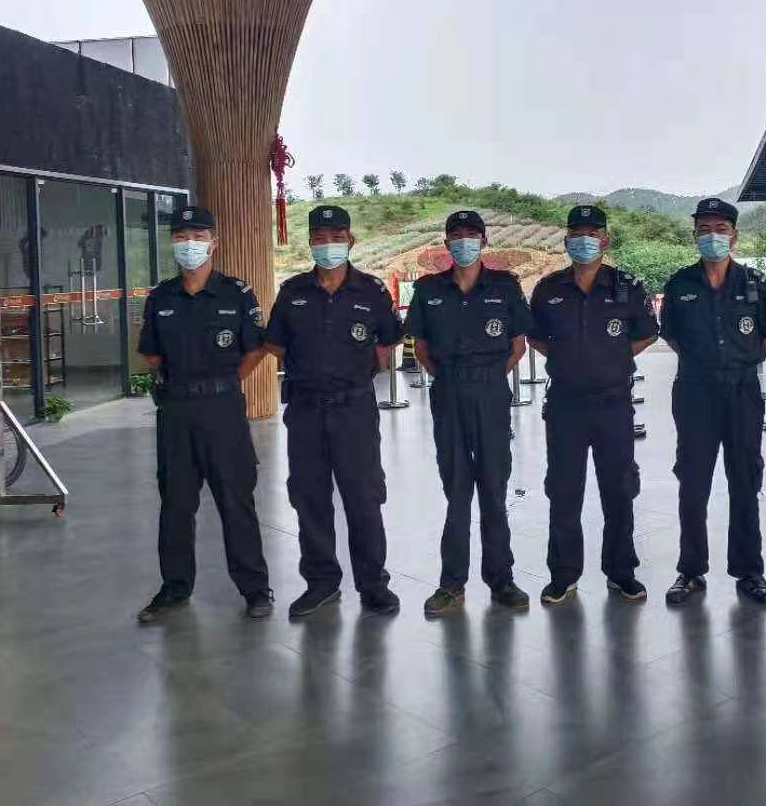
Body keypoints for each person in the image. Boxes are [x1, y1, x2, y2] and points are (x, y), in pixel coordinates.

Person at [134, 205, 273, 622]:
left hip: (222, 411)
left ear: (215, 243)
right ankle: (175, 587)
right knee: (175, 504)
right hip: (175, 411)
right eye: (181, 237)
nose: (189, 244)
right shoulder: (161, 297)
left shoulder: (236, 293)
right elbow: (151, 354)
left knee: (236, 500)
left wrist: (224, 383)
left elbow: (255, 349)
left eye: (198, 236)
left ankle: (255, 589)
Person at [262, 205, 402, 619]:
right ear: (310, 243)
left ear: (350, 241)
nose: (328, 245)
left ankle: (373, 585)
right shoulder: (292, 292)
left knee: (363, 497)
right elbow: (276, 345)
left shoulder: (371, 291)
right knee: (310, 498)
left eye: (336, 238)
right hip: (305, 410)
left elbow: (387, 343)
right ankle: (321, 584)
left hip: (354, 410)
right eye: (320, 238)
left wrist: (353, 373)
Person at [528, 205, 660, 605]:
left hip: (612, 404)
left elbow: (647, 333)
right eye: (577, 233)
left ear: (605, 240)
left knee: (619, 489)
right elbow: (536, 337)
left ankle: (621, 571)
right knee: (564, 490)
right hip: (565, 405)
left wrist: (612, 359)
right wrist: (569, 360)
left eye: (592, 233)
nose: (584, 240)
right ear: (566, 240)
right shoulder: (548, 288)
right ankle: (563, 574)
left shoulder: (627, 286)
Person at [405, 210, 535, 615]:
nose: (464, 241)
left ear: (484, 241)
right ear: (447, 243)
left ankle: (502, 580)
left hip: (491, 394)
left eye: (471, 234)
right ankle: (451, 584)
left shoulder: (506, 286)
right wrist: (451, 379)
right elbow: (420, 348)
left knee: (494, 489)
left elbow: (518, 346)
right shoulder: (428, 289)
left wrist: (488, 378)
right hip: (449, 392)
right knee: (457, 491)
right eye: (457, 235)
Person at [658, 197, 766, 607]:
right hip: (695, 392)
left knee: (745, 478)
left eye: (721, 229)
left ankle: (750, 571)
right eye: (704, 230)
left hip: (742, 391)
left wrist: (738, 361)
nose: (712, 236)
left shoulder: (755, 283)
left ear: (734, 236)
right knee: (693, 481)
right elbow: (671, 335)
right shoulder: (680, 284)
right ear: (694, 235)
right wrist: (705, 363)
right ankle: (690, 570)